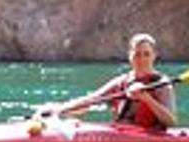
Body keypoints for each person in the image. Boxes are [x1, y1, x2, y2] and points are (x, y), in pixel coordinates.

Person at [41, 33, 179, 129]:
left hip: (151, 137)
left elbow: (171, 122)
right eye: (137, 54)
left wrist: (147, 99)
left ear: (154, 56)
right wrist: (59, 110)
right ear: (130, 56)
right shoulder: (121, 82)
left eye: (146, 54)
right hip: (122, 133)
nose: (141, 59)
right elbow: (91, 100)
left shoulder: (162, 84)